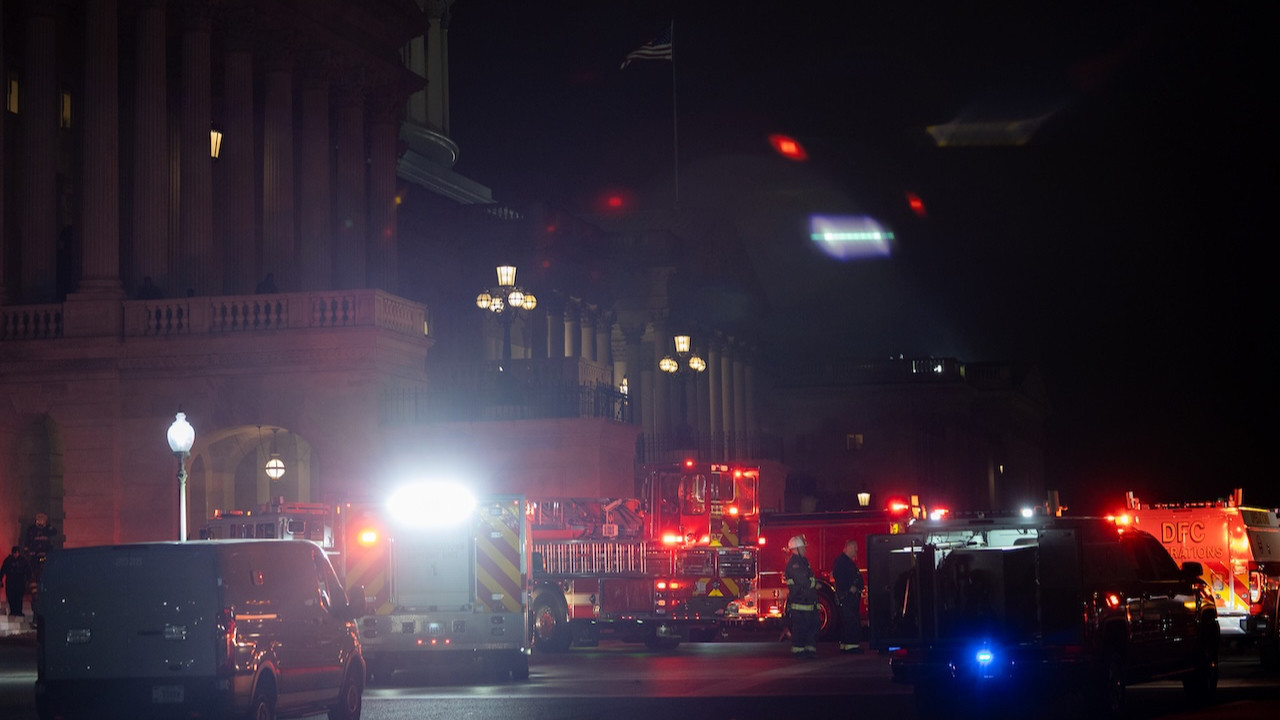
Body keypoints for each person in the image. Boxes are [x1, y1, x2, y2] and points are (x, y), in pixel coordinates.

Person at [784, 534, 819, 658]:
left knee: (811, 625)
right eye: (803, 547)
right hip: (800, 603)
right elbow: (803, 581)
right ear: (796, 549)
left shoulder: (803, 562)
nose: (805, 550)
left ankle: (809, 649)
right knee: (801, 628)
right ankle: (799, 650)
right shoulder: (795, 564)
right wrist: (814, 584)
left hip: (807, 601)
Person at [833, 539, 865, 653]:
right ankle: (852, 646)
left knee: (847, 620)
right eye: (855, 548)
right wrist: (849, 587)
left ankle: (846, 644)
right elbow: (839, 577)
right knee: (851, 620)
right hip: (847, 597)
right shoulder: (842, 562)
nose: (857, 550)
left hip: (848, 597)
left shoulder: (846, 562)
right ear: (849, 548)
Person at [1, 546, 31, 617]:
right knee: (11, 598)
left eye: (17, 553)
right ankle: (13, 611)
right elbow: (3, 570)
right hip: (11, 583)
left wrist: (28, 579)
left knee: (19, 598)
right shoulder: (8, 561)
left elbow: (28, 570)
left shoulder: (23, 561)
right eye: (14, 553)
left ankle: (18, 611)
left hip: (20, 582)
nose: (16, 555)